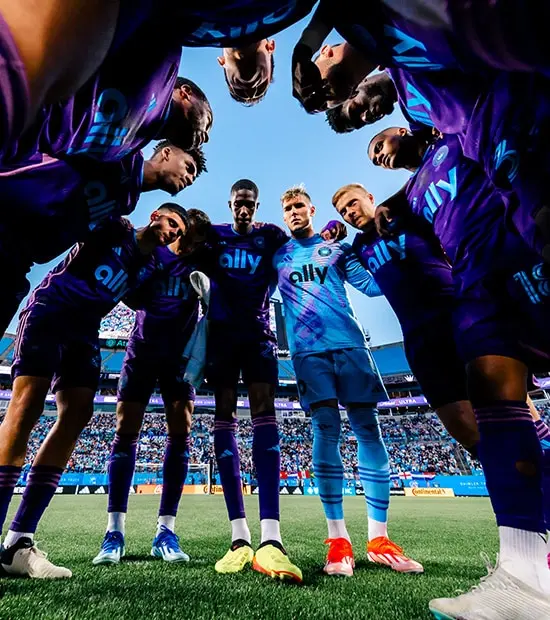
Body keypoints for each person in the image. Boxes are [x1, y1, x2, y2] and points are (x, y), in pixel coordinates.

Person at [367, 127, 550, 620]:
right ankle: (525, 573)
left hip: (511, 261)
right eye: (374, 156)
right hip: (475, 297)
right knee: (491, 415)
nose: (380, 155)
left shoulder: (457, 131)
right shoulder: (403, 202)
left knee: (513, 412)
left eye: (380, 144)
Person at [0, 204, 189, 579]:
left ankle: (18, 542)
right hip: (50, 313)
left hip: (84, 332)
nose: (171, 231)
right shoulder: (113, 227)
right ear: (155, 216)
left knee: (78, 413)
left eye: (177, 230)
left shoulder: (151, 269)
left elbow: (166, 292)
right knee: (25, 409)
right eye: (170, 221)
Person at [274, 185, 423, 576]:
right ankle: (338, 541)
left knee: (368, 429)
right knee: (325, 431)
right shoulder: (277, 256)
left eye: (299, 206)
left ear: (311, 208)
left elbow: (373, 286)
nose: (293, 212)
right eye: (287, 208)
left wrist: (360, 244)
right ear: (283, 213)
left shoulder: (336, 249)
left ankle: (378, 539)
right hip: (307, 354)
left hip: (351, 346)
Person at [203, 179, 343, 582]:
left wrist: (333, 228)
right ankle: (238, 537)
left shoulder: (271, 235)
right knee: (224, 418)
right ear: (229, 203)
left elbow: (305, 241)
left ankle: (271, 537)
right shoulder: (214, 236)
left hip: (261, 338)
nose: (243, 209)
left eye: (249, 204)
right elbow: (181, 246)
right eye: (237, 203)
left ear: (256, 204)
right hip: (223, 340)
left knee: (265, 413)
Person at [92, 209, 211, 566]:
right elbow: (130, 292)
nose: (190, 243)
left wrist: (210, 292)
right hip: (141, 352)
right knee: (125, 431)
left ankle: (166, 530)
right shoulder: (153, 253)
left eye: (197, 240)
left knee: (181, 434)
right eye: (186, 235)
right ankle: (114, 532)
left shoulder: (201, 262)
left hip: (178, 360)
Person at [0, 140, 207, 336]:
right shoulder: (123, 152)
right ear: (167, 152)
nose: (189, 178)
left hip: (19, 263)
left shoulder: (126, 202)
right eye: (188, 167)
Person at [331, 183, 478, 453]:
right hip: (417, 337)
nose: (349, 213)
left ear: (371, 196)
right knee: (461, 426)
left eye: (352, 203)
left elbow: (419, 182)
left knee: (507, 402)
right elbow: (370, 286)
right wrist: (333, 235)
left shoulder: (406, 215)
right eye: (342, 212)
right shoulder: (360, 245)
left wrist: (394, 203)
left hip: (460, 316)